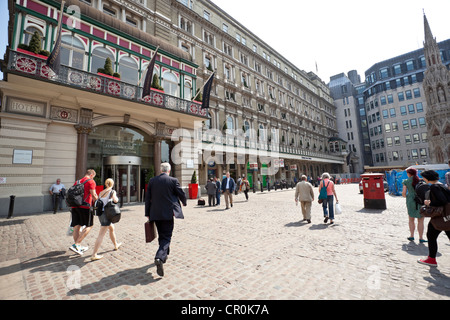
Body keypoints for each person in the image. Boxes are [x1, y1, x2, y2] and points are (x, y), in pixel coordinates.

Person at [145, 163, 186, 277]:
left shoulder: (153, 181)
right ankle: (159, 257)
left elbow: (148, 198)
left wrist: (147, 213)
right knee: (167, 236)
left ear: (160, 170)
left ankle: (165, 254)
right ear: (169, 170)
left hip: (155, 213)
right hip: (168, 214)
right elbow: (181, 193)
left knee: (162, 235)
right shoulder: (173, 180)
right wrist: (184, 202)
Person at [417, 170, 450, 267]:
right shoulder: (442, 185)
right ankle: (431, 259)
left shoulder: (434, 187)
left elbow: (442, 201)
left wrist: (429, 203)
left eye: (423, 177)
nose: (423, 179)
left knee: (431, 236)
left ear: (427, 178)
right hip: (447, 217)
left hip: (439, 217)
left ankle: (431, 259)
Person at [91, 178, 122, 261]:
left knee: (112, 228)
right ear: (112, 184)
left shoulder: (101, 192)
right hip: (107, 215)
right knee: (101, 234)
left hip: (101, 214)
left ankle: (116, 245)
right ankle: (94, 254)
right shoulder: (112, 191)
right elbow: (115, 200)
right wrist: (115, 199)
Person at [69, 169, 98, 255]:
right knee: (89, 225)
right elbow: (93, 195)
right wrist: (98, 203)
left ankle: (78, 247)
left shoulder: (77, 182)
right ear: (92, 174)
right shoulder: (91, 181)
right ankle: (77, 244)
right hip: (85, 206)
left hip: (74, 206)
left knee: (76, 226)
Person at [402, 168, 426, 243]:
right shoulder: (420, 180)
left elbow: (403, 193)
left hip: (411, 200)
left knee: (411, 219)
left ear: (409, 173)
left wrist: (408, 196)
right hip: (420, 200)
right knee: (421, 220)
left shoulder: (406, 181)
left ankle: (411, 236)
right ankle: (421, 237)